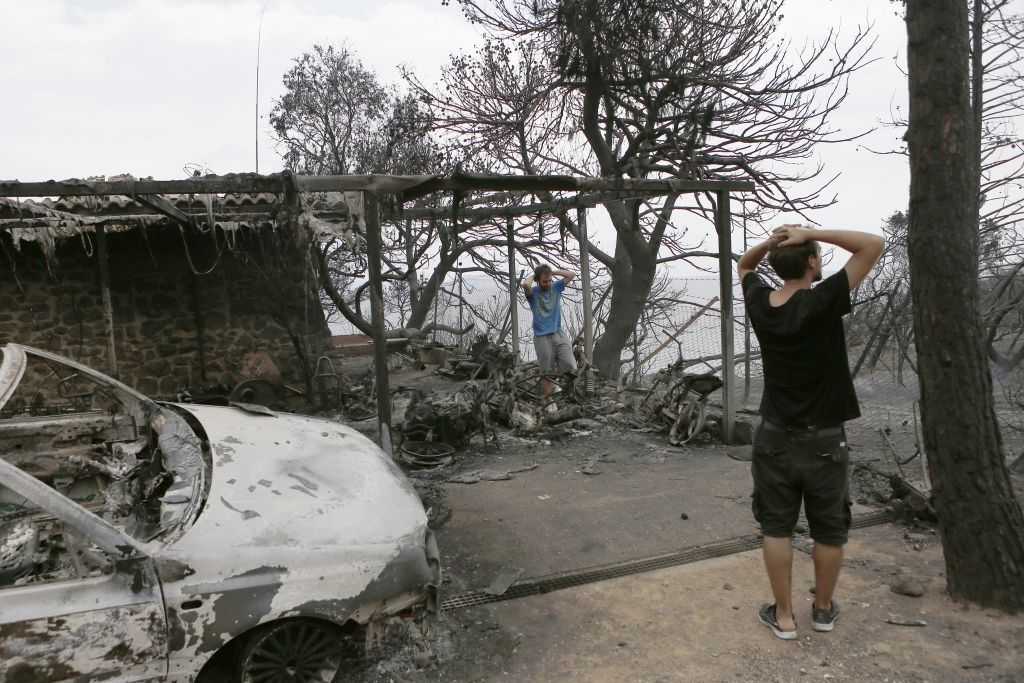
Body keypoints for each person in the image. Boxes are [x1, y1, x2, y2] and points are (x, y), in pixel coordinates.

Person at [737, 224, 884, 640]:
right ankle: (822, 610)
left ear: (779, 264)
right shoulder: (824, 299)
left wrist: (774, 242)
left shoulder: (761, 302)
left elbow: (744, 264)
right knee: (829, 529)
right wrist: (809, 231)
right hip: (825, 438)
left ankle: (783, 616)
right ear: (813, 263)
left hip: (773, 437)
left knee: (776, 528)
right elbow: (873, 244)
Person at [522, 264, 577, 403]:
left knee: (570, 365)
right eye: (544, 281)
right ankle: (548, 401)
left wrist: (552, 272)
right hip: (542, 336)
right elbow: (525, 285)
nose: (548, 284)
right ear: (538, 280)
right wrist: (534, 275)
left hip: (559, 333)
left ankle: (558, 384)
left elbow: (571, 274)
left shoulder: (556, 287)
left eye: (549, 280)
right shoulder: (533, 293)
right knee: (545, 371)